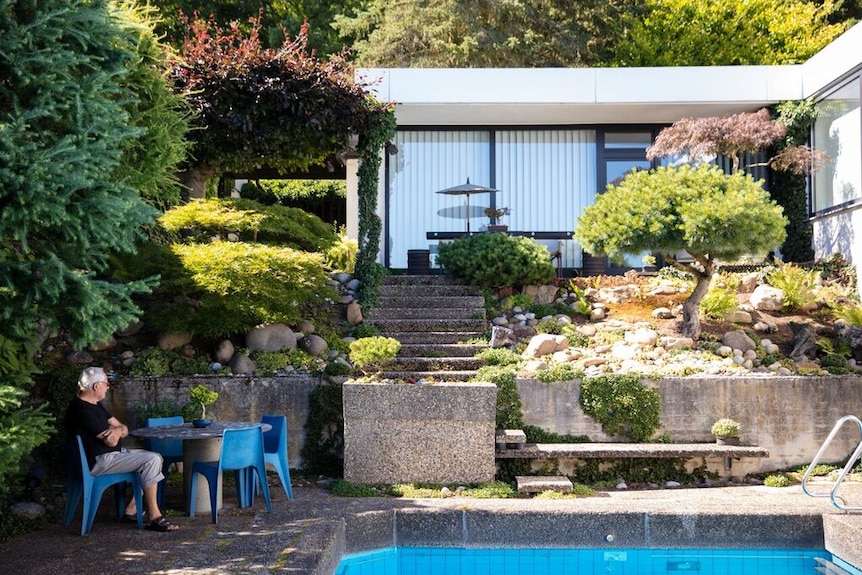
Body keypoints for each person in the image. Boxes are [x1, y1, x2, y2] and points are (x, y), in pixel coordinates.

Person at [64, 366, 178, 532]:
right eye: (106, 384)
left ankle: (131, 509)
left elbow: (123, 428)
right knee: (151, 460)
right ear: (96, 386)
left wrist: (117, 431)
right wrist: (117, 432)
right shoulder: (81, 410)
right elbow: (110, 441)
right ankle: (154, 517)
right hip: (100, 461)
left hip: (112, 456)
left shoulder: (95, 405)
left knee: (155, 458)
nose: (108, 387)